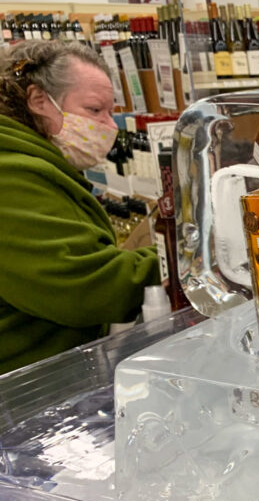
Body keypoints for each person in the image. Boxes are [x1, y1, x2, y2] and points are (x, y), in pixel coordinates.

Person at [0, 40, 161, 373]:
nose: (110, 126)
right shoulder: (9, 175)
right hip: (23, 390)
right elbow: (86, 289)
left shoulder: (33, 160)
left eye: (110, 111)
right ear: (38, 100)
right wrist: (182, 261)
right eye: (94, 110)